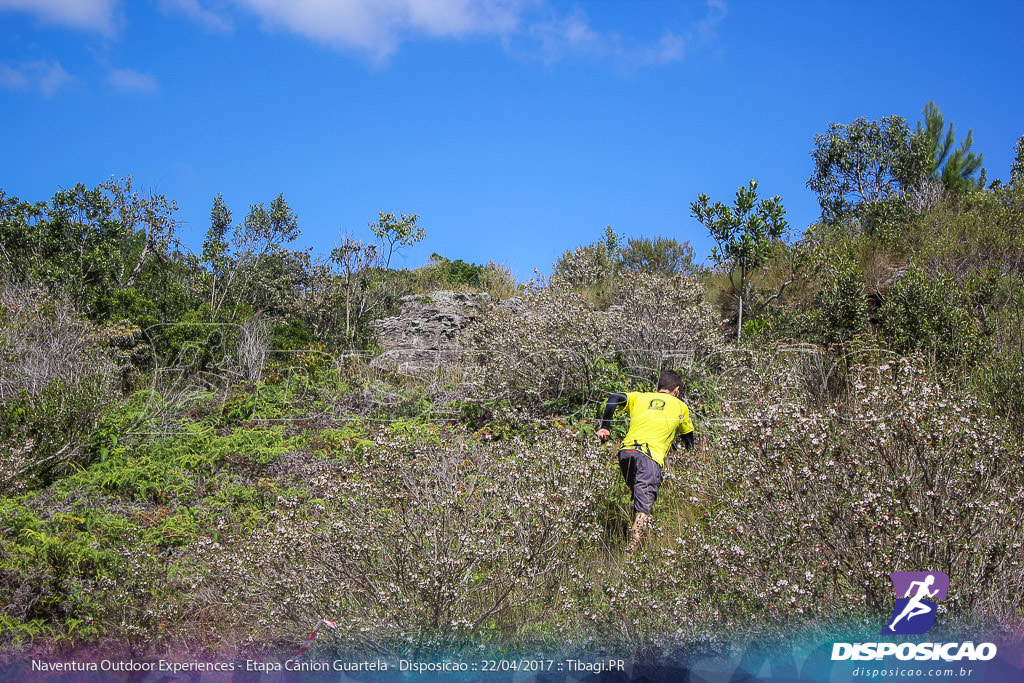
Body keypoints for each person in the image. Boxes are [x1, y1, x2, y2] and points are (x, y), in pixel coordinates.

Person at [596, 369, 695, 552]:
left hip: (626, 452)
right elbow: (688, 438)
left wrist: (605, 426)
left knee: (638, 498)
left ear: (658, 387)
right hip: (650, 456)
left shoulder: (640, 397)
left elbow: (614, 398)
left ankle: (631, 538)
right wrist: (692, 460)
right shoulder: (680, 406)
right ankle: (632, 553)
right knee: (643, 508)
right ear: (677, 390)